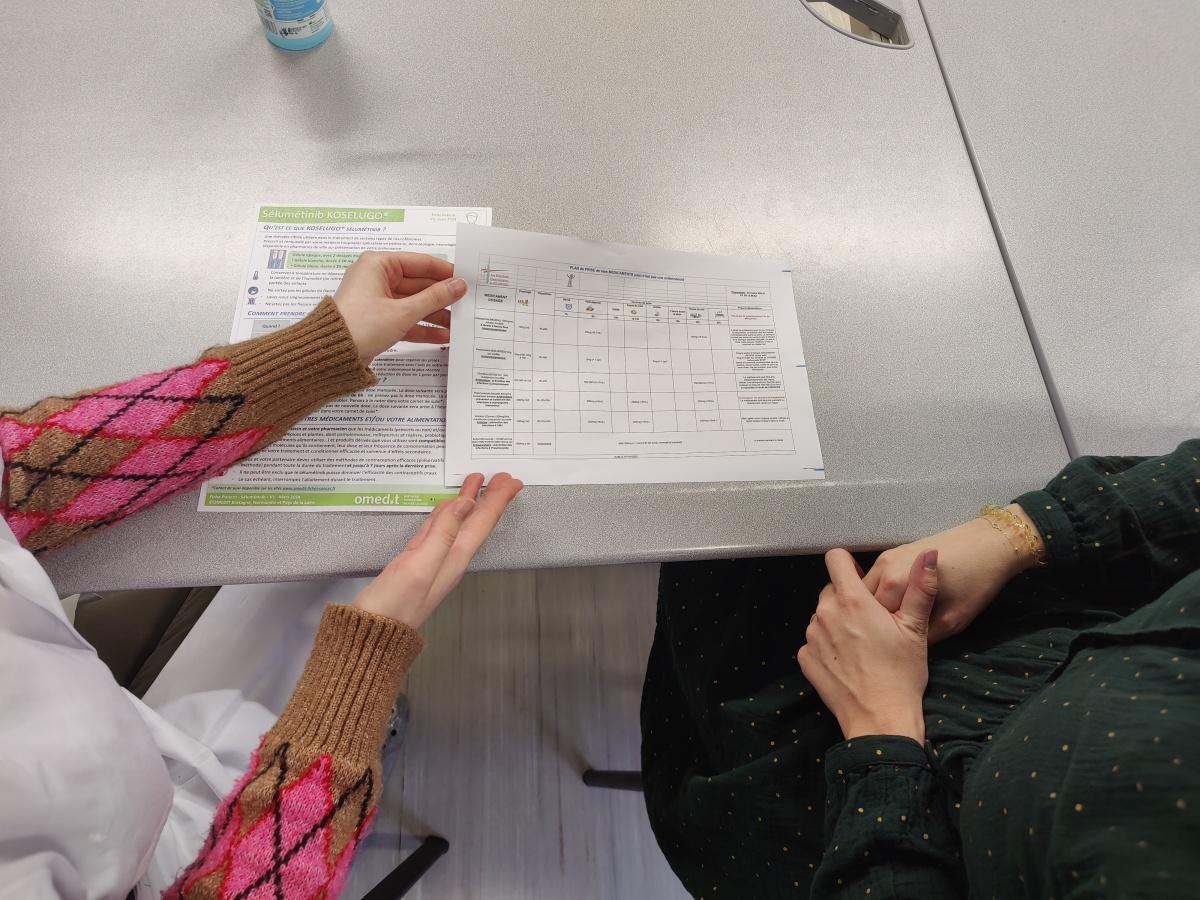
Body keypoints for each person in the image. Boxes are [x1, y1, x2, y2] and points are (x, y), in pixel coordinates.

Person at [0, 252, 524, 898]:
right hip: (166, 861)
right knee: (350, 563)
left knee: (319, 561)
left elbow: (27, 472)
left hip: (113, 746)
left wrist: (315, 353)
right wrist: (358, 670)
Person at [641, 442, 1199, 898]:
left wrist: (879, 727)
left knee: (725, 527)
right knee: (766, 452)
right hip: (1055, 631)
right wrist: (1018, 535)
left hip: (884, 815)